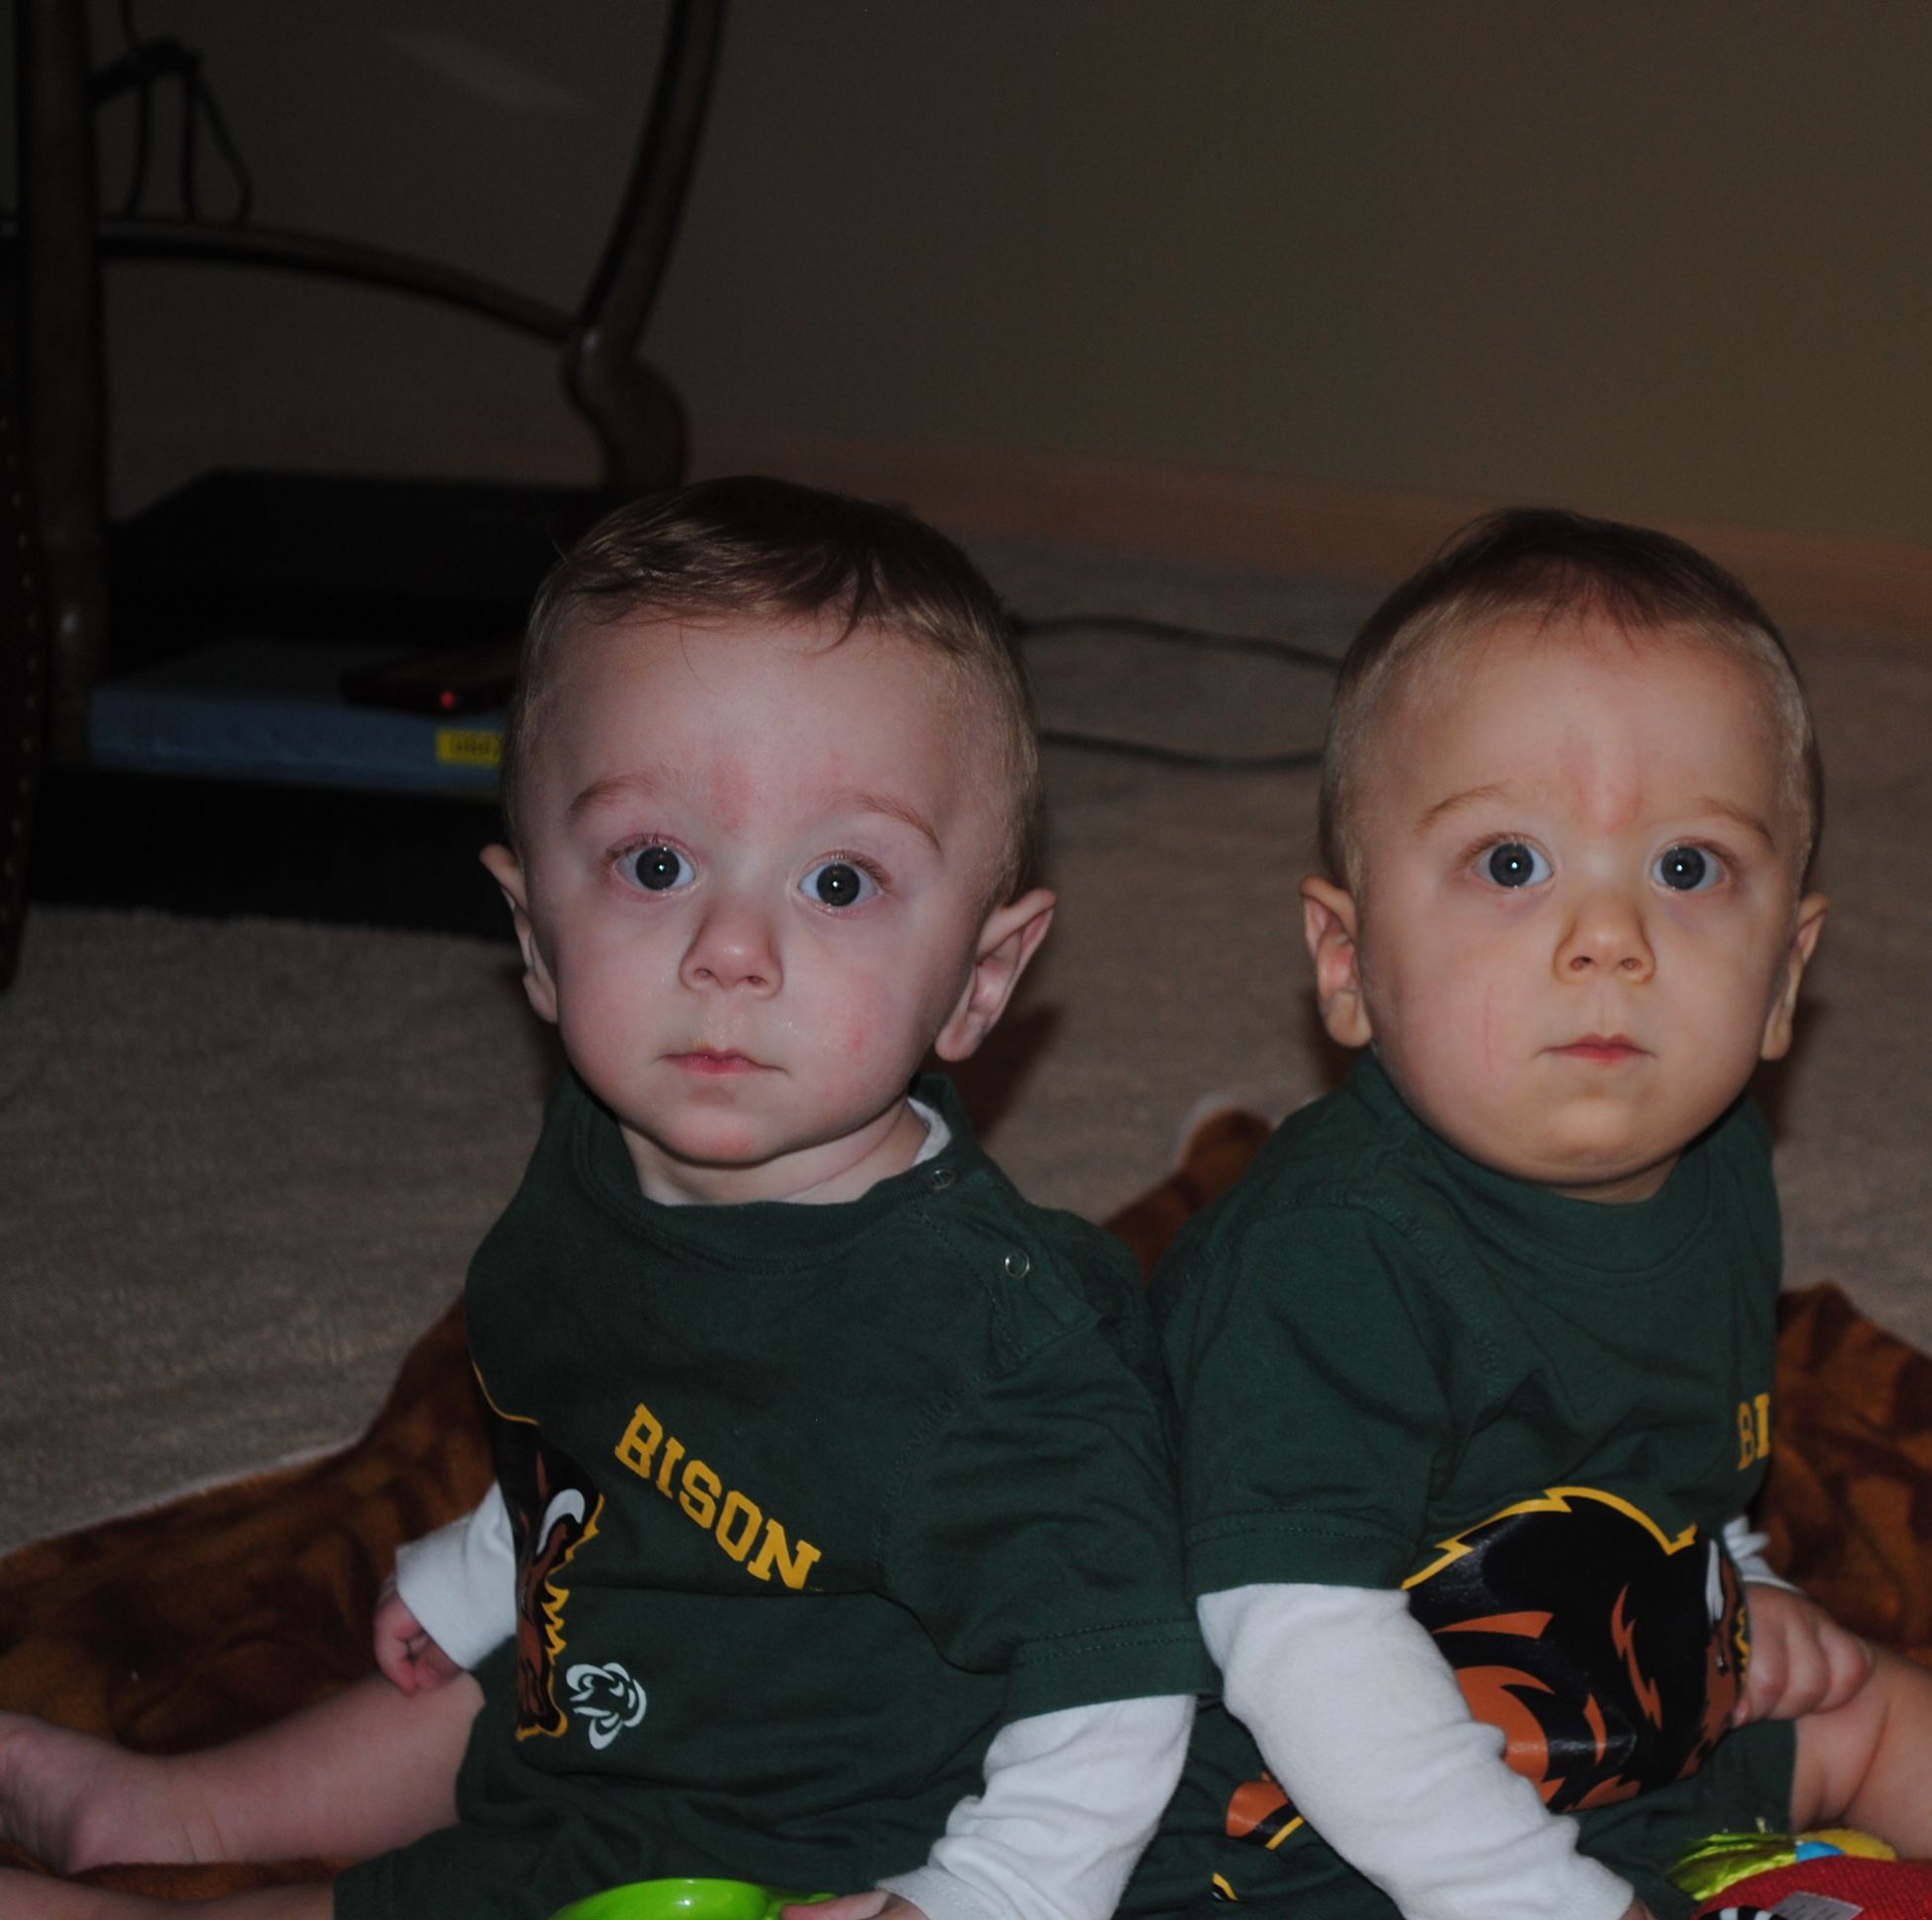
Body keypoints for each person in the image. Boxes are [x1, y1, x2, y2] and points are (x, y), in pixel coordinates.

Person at [1129, 509, 1932, 1920]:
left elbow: (1670, 1471)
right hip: (1287, 1831)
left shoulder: (1718, 1173)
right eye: (1511, 863)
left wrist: (1738, 1597)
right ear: (1347, 963)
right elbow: (1297, 1637)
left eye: (1687, 868)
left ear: (1783, 979)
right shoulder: (1328, 1256)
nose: (1609, 939)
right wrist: (1527, 1896)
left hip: (1607, 1744)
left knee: (1857, 1703)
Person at [0, 478, 1210, 1920]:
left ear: (982, 979)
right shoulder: (592, 1157)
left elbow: (1120, 1672)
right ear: (534, 934)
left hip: (796, 1834)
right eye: (656, 864)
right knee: (463, 1698)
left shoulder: (989, 1351)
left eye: (838, 881)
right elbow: (599, 1415)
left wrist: (979, 1897)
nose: (730, 948)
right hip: (623, 1665)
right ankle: (172, 1808)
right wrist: (479, 1572)